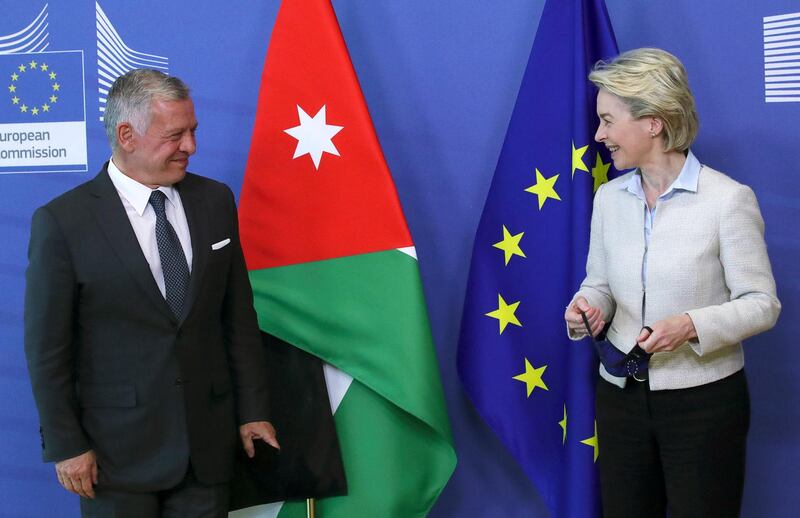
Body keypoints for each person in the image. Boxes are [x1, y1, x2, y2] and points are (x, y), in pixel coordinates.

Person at [24, 69, 279, 517]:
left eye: (193, 132)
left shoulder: (215, 201)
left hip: (208, 450)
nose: (191, 147)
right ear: (127, 135)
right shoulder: (64, 222)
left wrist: (253, 409)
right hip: (114, 458)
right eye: (175, 135)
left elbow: (237, 317)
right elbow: (47, 349)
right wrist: (66, 445)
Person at [564, 48, 780, 517]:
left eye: (607, 120)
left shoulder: (727, 200)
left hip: (704, 407)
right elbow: (598, 283)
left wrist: (690, 325)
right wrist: (586, 305)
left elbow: (762, 303)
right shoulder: (608, 199)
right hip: (619, 398)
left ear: (653, 122)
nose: (599, 135)